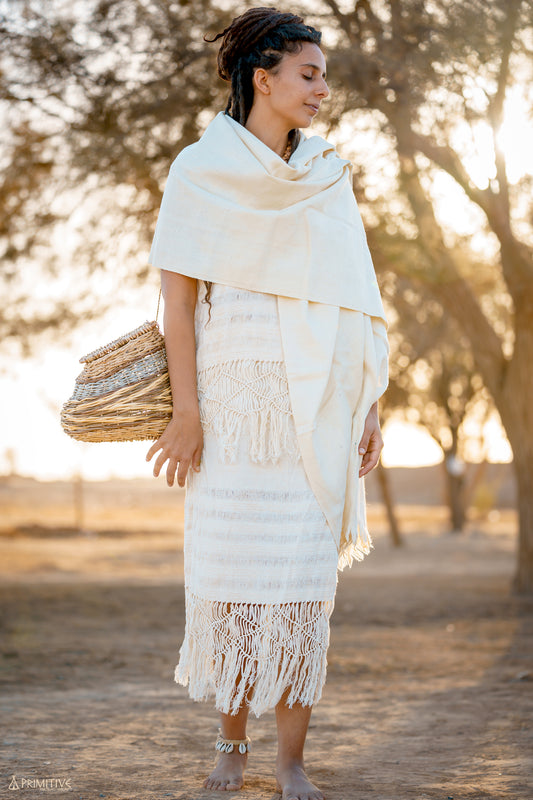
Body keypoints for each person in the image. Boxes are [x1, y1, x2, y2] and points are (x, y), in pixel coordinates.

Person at [146, 7, 389, 799]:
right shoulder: (197, 170)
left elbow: (357, 302)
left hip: (315, 406)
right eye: (308, 74)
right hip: (231, 408)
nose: (322, 89)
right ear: (264, 77)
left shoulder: (327, 176)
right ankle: (231, 748)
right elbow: (176, 307)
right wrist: (187, 412)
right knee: (232, 584)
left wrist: (369, 406)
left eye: (322, 76)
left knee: (298, 591)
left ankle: (291, 765)